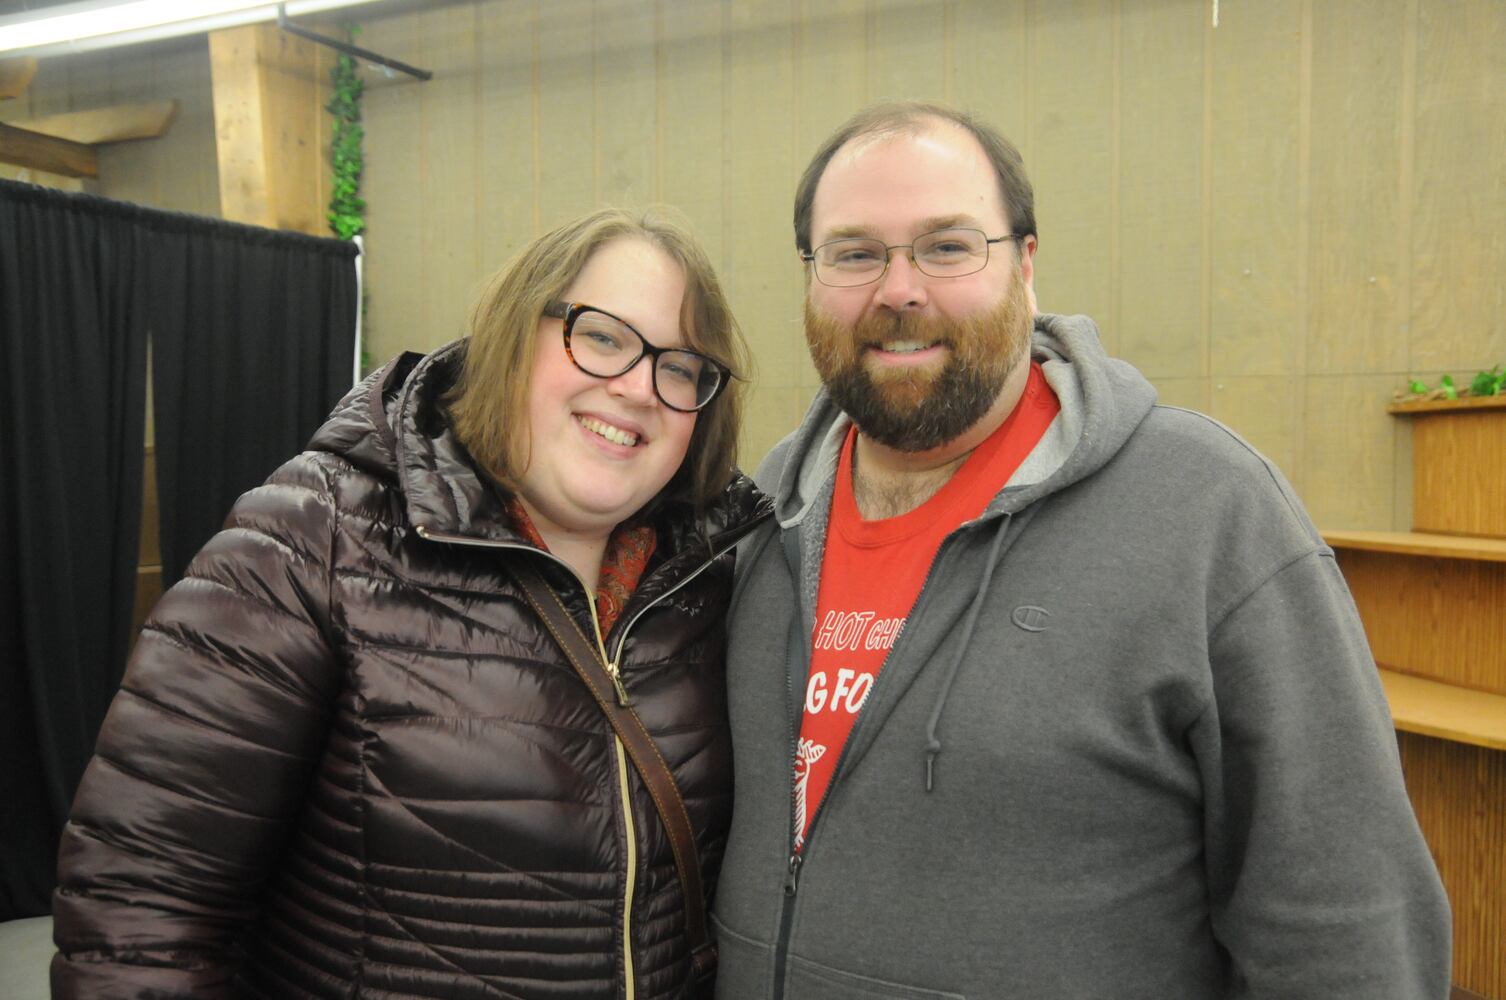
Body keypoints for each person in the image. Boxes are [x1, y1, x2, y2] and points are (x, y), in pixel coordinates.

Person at [710, 102, 1451, 999]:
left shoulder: (1207, 510)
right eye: (855, 252)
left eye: (948, 246)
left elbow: (1347, 927)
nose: (898, 289)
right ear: (810, 277)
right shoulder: (758, 520)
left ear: (1026, 265)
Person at [51, 207, 770, 999]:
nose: (638, 387)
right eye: (601, 337)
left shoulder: (709, 582)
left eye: (680, 367)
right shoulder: (316, 538)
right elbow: (140, 911)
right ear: (511, 335)